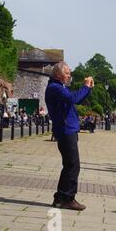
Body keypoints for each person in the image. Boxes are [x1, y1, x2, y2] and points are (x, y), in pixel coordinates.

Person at [45, 62, 93, 211]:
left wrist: (88, 89)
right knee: (73, 165)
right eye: (67, 73)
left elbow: (73, 98)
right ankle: (68, 198)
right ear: (59, 74)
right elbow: (73, 99)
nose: (69, 76)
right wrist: (85, 86)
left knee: (69, 165)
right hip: (65, 129)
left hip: (68, 128)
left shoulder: (59, 87)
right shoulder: (55, 88)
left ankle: (60, 197)